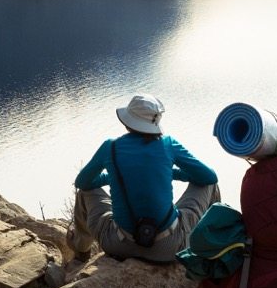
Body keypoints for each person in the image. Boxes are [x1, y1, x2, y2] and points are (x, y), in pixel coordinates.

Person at [69, 93, 220, 263]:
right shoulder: (168, 144)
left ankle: (81, 252)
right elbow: (209, 177)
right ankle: (214, 245)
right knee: (208, 185)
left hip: (118, 244)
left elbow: (82, 182)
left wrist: (114, 177)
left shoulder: (110, 147)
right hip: (168, 248)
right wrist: (173, 174)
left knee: (85, 192)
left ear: (127, 122)